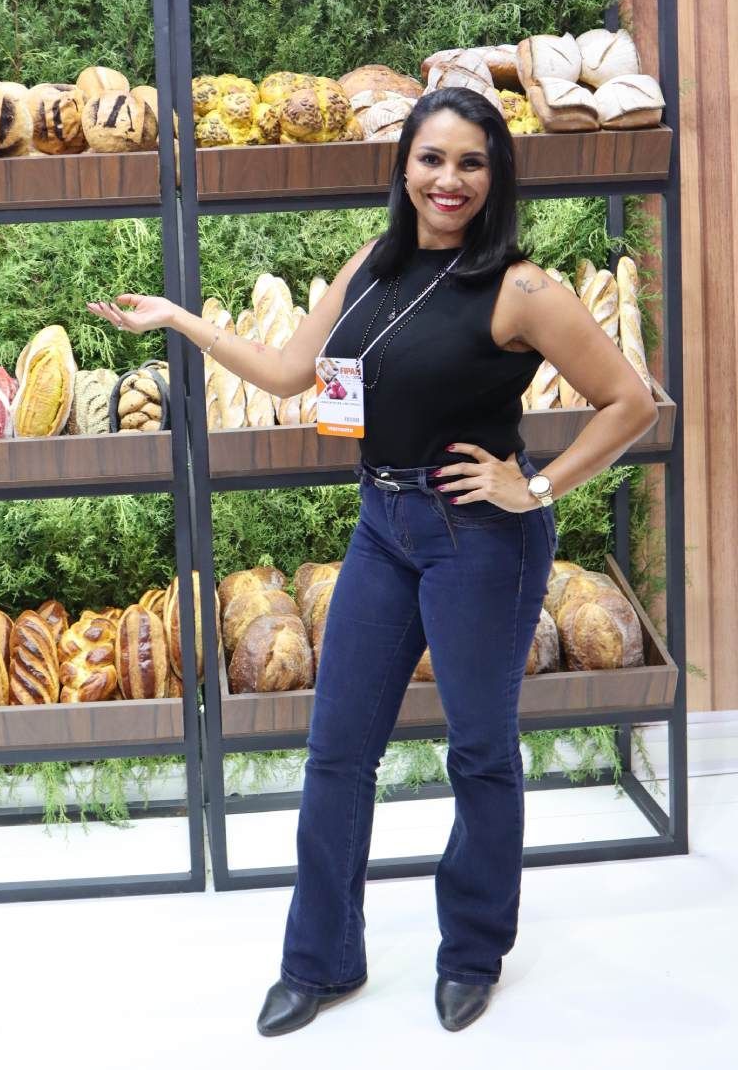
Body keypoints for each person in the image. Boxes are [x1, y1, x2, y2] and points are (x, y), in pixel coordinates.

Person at [88, 86, 658, 1035]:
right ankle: (321, 961)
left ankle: (473, 949)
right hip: (382, 528)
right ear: (404, 166)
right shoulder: (371, 265)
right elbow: (288, 373)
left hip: (479, 538)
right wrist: (181, 322)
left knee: (477, 747)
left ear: (495, 176)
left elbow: (629, 402)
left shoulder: (522, 289)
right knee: (338, 749)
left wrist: (539, 486)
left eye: (472, 162)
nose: (450, 179)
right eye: (433, 158)